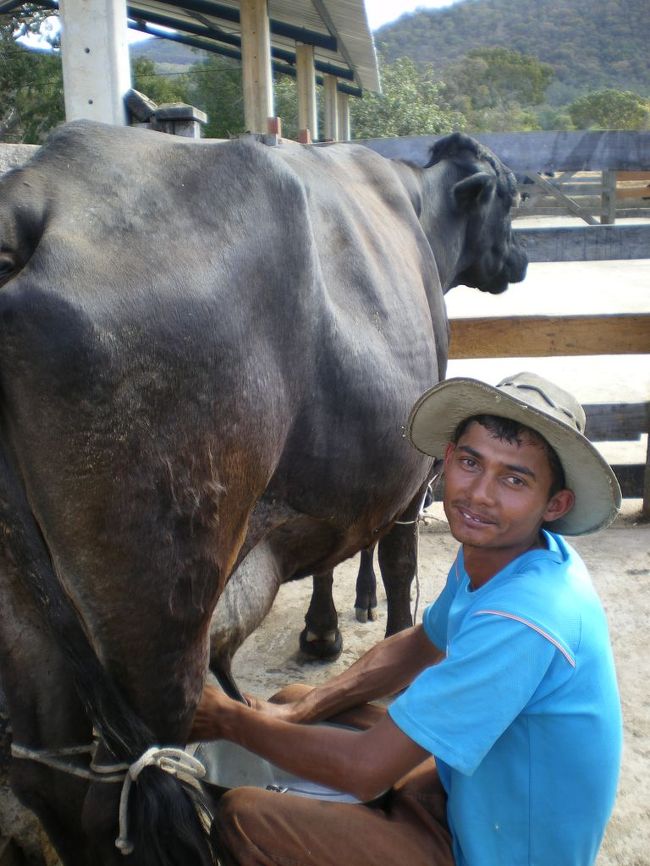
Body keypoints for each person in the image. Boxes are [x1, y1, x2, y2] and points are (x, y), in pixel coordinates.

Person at [191, 372, 623, 866]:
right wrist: (298, 714)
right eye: (470, 462)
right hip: (470, 794)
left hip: (499, 850)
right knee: (295, 699)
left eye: (514, 479)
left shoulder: (524, 618)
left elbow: (364, 771)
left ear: (556, 504)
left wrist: (227, 719)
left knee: (248, 820)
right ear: (446, 460)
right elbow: (421, 643)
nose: (480, 494)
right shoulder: (505, 550)